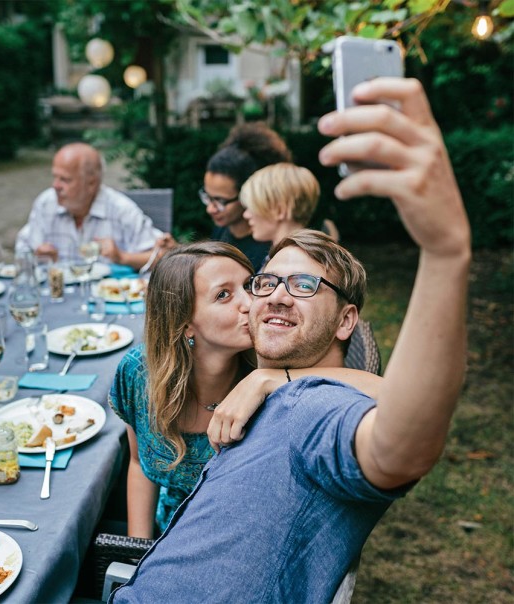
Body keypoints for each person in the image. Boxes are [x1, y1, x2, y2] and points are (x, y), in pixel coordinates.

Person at [110, 78, 471, 602]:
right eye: (267, 282)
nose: (276, 295)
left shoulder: (317, 413)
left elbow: (402, 442)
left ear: (346, 321)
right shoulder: (244, 380)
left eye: (305, 285)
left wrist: (444, 253)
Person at [110, 241, 382, 538]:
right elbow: (137, 462)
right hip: (166, 534)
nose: (251, 303)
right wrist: (136, 548)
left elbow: (385, 392)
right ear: (185, 322)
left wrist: (268, 379)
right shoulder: (138, 373)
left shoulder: (273, 363)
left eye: (249, 286)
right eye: (224, 294)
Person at [16, 143, 172, 270]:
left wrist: (123, 257)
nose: (55, 185)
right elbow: (21, 252)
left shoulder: (121, 209)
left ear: (91, 184)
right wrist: (36, 256)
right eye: (55, 177)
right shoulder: (46, 203)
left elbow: (165, 257)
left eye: (65, 180)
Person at [202, 122, 292, 269]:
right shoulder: (222, 230)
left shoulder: (269, 245)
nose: (210, 209)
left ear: (248, 196)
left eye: (220, 201)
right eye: (208, 197)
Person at [240, 162, 324, 270]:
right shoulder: (307, 257)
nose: (246, 214)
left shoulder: (293, 264)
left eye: (253, 206)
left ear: (280, 210)